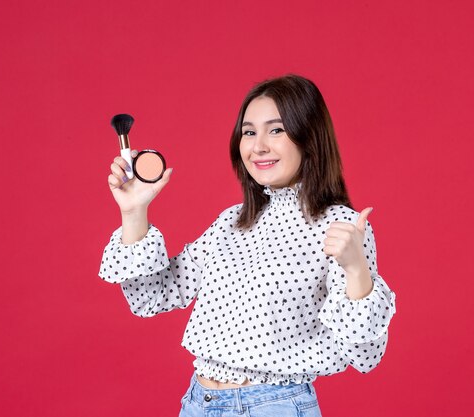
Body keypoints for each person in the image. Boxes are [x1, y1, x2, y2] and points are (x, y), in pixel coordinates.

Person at [99, 74, 397, 417]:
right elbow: (151, 297)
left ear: (309, 138)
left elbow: (367, 355)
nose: (258, 147)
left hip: (274, 407)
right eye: (249, 132)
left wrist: (357, 269)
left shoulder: (341, 227)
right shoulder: (232, 221)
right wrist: (135, 211)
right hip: (199, 403)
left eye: (276, 130)